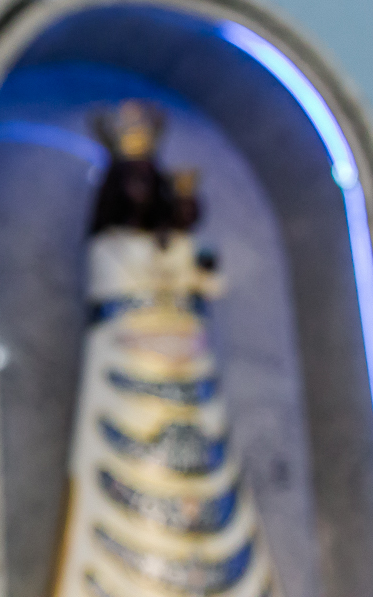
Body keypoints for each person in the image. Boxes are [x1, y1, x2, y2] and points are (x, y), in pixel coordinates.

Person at [51, 101, 279, 597]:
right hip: (125, 362)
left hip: (189, 373)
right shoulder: (112, 247)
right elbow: (114, 271)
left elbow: (199, 271)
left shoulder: (174, 238)